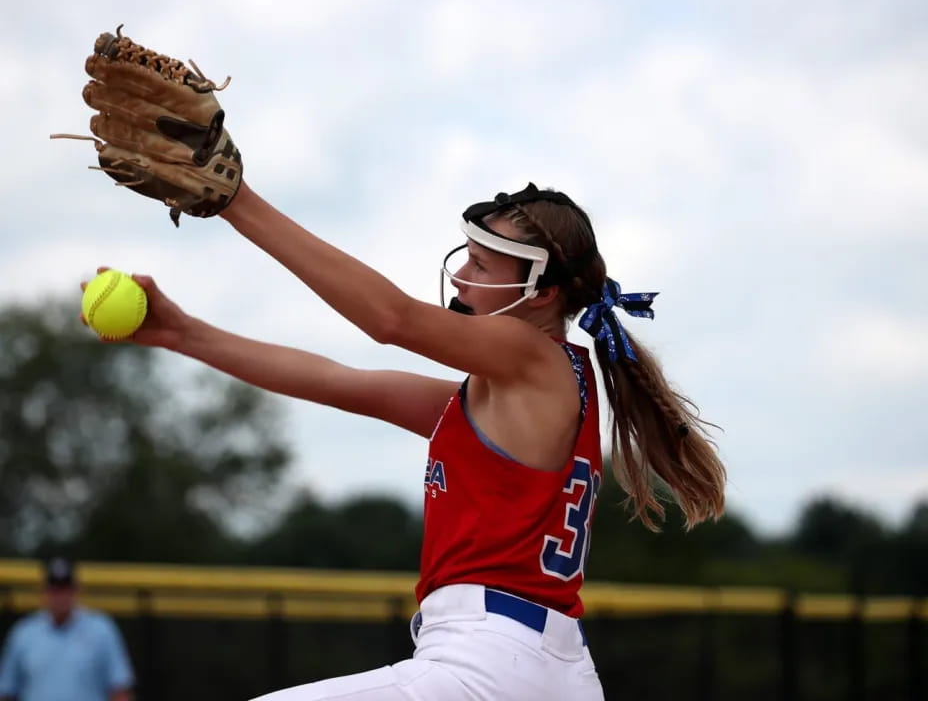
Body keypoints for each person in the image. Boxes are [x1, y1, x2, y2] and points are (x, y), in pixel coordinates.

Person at [82, 181, 726, 701]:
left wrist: (233, 200)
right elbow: (336, 380)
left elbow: (389, 319)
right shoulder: (510, 392)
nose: (461, 276)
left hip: (487, 663)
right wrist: (183, 333)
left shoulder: (530, 353)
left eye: (483, 261)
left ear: (544, 292)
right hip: (548, 670)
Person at [0, 557, 134, 701]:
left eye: (65, 589)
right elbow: (7, 692)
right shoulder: (24, 633)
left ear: (77, 590)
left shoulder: (101, 630)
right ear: (44, 591)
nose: (60, 597)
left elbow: (119, 689)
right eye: (55, 589)